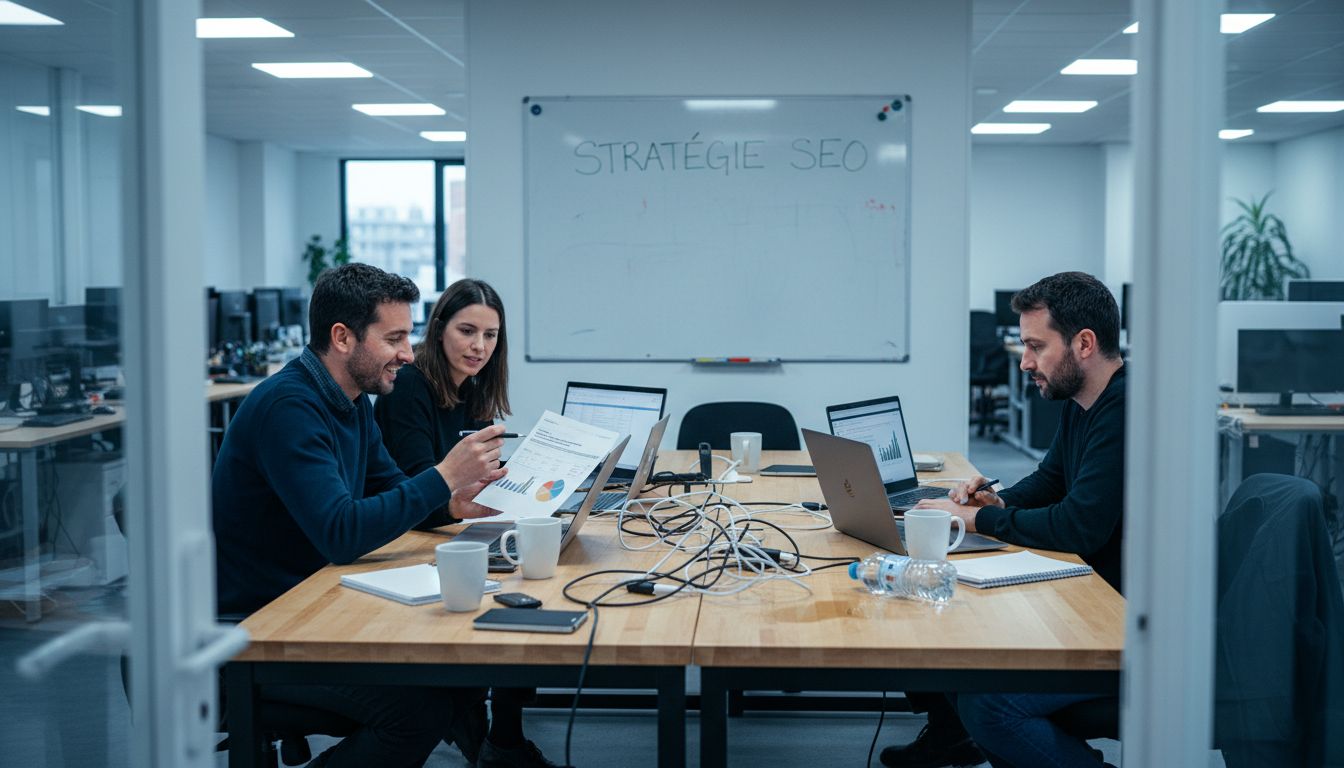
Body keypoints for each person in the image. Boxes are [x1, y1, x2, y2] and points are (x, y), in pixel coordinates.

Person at [213, 263, 509, 768]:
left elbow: (391, 487)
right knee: (421, 708)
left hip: (311, 603)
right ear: (343, 337)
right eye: (393, 338)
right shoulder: (290, 408)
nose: (407, 354)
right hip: (259, 628)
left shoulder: (351, 403)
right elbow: (341, 533)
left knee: (451, 676)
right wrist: (443, 477)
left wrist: (449, 504)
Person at [881, 271, 1126, 768]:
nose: (1026, 362)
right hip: (1088, 597)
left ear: (1084, 344)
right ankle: (955, 741)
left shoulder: (1128, 411)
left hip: (1119, 624)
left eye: (1036, 346)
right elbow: (1049, 481)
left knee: (989, 702)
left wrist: (975, 523)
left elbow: (1079, 526)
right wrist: (994, 502)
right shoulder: (1086, 402)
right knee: (954, 646)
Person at [375, 278, 559, 768]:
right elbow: (417, 489)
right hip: (414, 538)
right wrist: (469, 498)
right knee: (520, 595)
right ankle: (494, 736)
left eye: (491, 335)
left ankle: (501, 734)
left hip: (449, 530)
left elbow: (475, 481)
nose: (479, 346)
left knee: (532, 589)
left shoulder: (472, 387)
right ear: (439, 331)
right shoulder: (409, 387)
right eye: (467, 331)